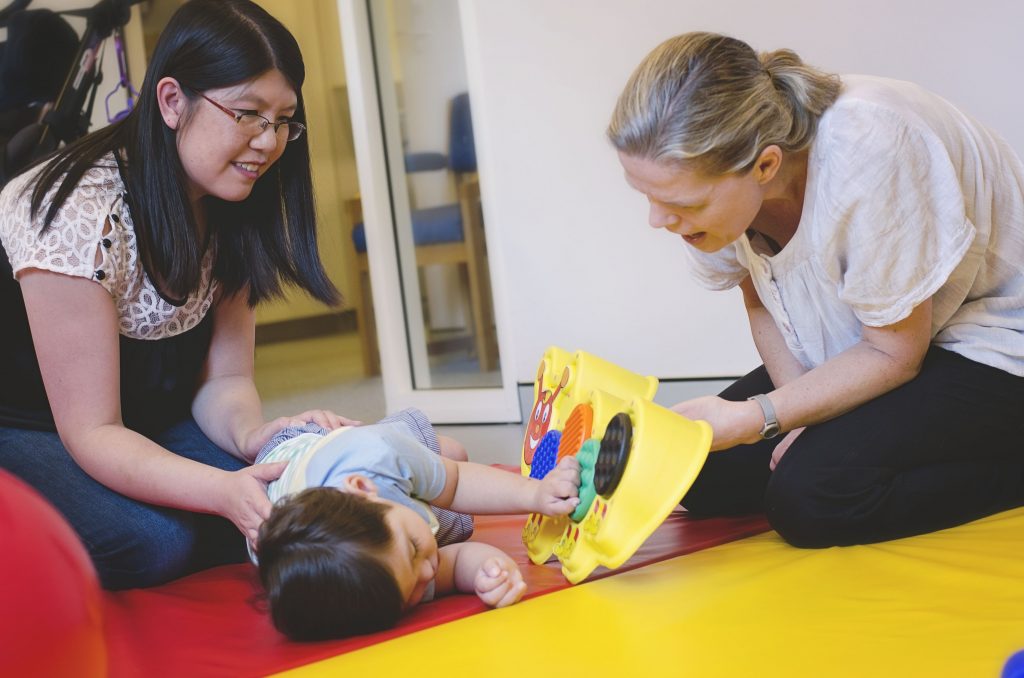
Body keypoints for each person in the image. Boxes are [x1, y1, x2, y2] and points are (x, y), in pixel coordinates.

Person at [608, 32, 1024, 547]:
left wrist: (761, 417)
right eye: (648, 195)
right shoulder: (705, 188)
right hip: (880, 339)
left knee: (811, 498)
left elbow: (895, 353)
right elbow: (759, 297)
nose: (659, 219)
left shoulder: (867, 149)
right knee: (698, 470)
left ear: (766, 165)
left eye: (683, 203)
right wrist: (787, 416)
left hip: (992, 343)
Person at [0, 0, 352, 589]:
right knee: (158, 543)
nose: (267, 142)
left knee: (292, 494)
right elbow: (92, 429)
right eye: (247, 114)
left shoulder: (234, 194)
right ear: (171, 101)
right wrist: (219, 489)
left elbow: (226, 382)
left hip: (135, 419)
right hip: (32, 426)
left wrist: (251, 437)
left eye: (283, 119)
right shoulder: (78, 210)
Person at [253, 408, 581, 641]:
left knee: (453, 454)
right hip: (295, 493)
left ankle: (423, 470)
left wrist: (536, 493)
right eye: (411, 594)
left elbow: (456, 482)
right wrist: (491, 570)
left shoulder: (377, 456)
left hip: (297, 447)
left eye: (412, 548)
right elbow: (455, 565)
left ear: (364, 490)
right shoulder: (374, 583)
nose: (428, 573)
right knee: (450, 529)